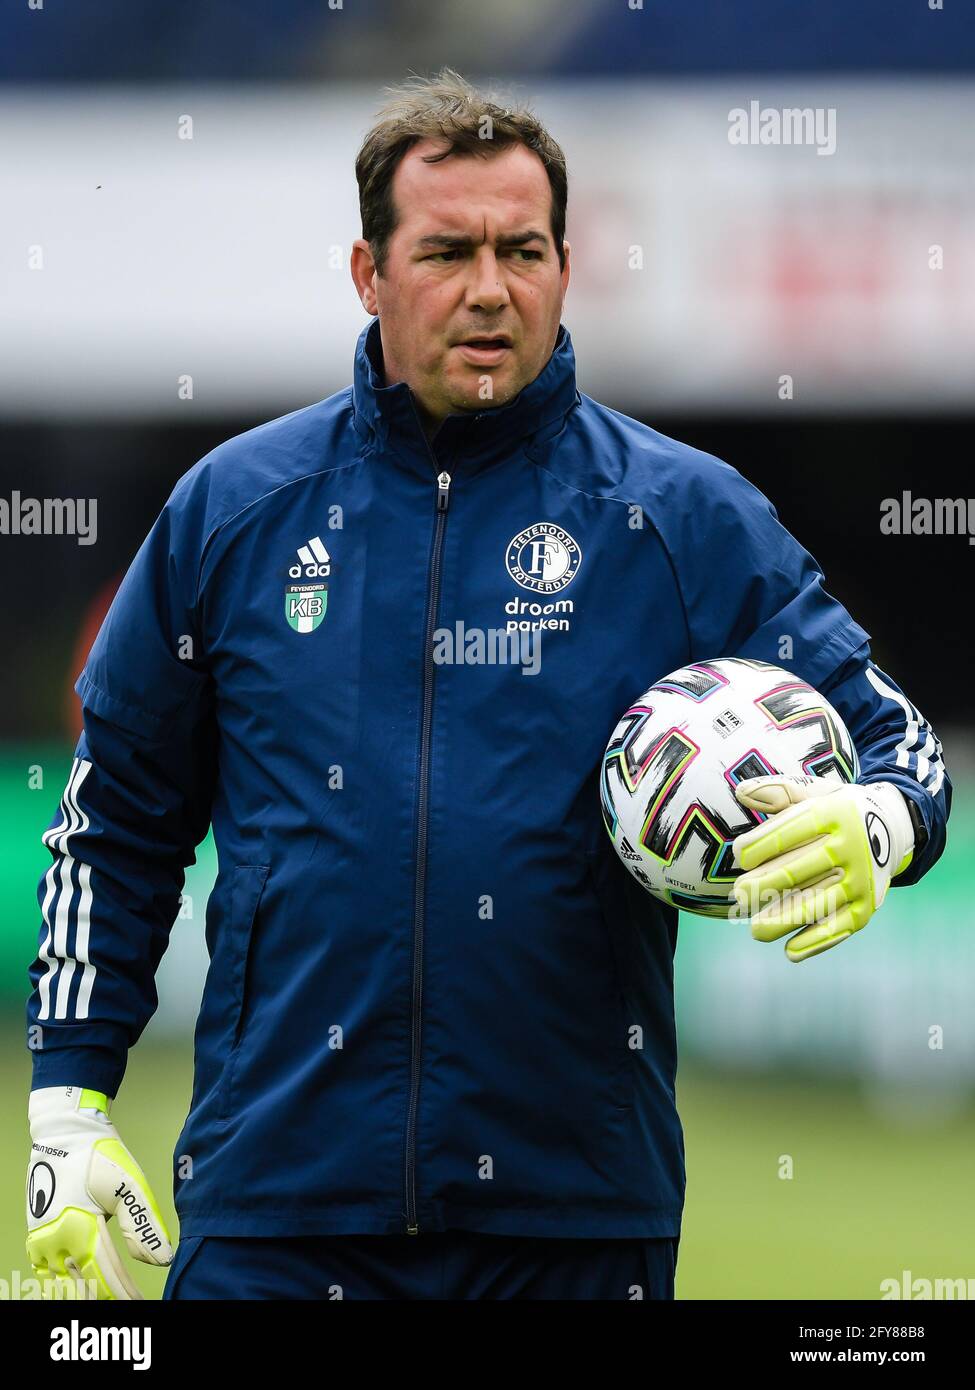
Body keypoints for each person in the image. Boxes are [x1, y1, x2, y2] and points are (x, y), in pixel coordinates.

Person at [25, 68, 950, 1302]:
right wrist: (67, 1107)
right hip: (279, 1210)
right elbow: (116, 823)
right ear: (369, 273)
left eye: (523, 249)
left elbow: (904, 748)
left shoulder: (680, 517)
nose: (489, 289)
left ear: (567, 265)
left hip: (571, 1217)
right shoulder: (235, 513)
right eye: (447, 251)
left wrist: (876, 820)